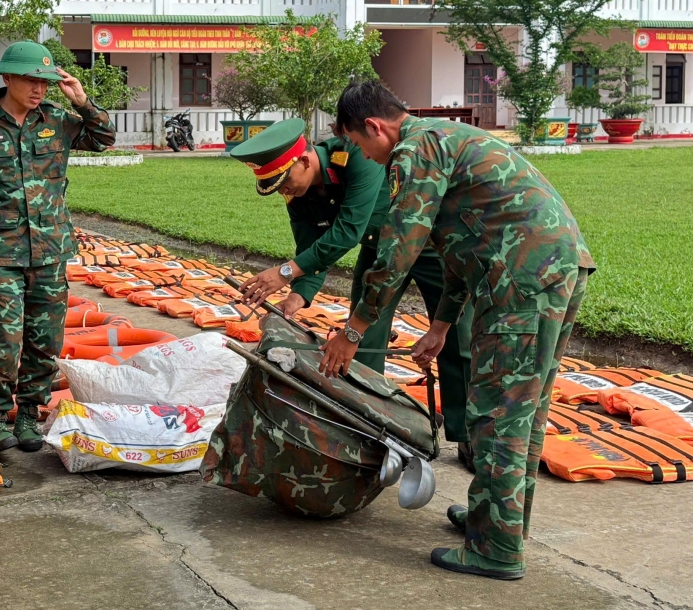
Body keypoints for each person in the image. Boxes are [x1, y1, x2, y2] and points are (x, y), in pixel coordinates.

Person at [324, 80, 594, 580]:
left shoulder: (415, 149)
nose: (367, 158)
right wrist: (442, 325)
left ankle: (496, 549)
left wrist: (354, 329)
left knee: (498, 413)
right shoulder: (443, 138)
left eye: (360, 147)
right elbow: (457, 245)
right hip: (552, 269)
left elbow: (401, 246)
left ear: (375, 127)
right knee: (524, 411)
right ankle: (499, 521)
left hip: (521, 280)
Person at [231, 118, 475, 462]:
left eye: (285, 182)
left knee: (456, 337)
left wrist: (285, 271)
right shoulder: (299, 196)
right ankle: (373, 426)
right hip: (380, 252)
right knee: (361, 338)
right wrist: (299, 294)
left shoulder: (354, 157)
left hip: (427, 245)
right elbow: (311, 245)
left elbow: (347, 230)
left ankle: (468, 436)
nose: (284, 191)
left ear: (303, 161)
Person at [0, 41, 116, 453]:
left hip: (51, 247)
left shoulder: (56, 119)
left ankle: (28, 414)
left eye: (45, 81)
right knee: (6, 335)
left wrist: (83, 99)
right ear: (8, 78)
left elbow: (104, 137)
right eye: (30, 80)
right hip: (1, 248)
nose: (39, 89)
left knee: (46, 339)